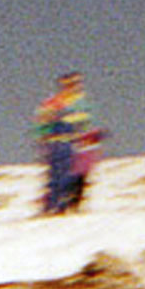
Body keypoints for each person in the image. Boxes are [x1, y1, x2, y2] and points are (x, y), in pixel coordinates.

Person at [33, 72, 99, 215]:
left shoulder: (82, 103)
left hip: (78, 143)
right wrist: (45, 138)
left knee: (76, 175)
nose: (74, 87)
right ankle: (54, 205)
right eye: (70, 84)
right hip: (58, 142)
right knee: (58, 174)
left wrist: (90, 138)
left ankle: (70, 204)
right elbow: (42, 123)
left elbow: (86, 124)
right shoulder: (54, 103)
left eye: (77, 83)